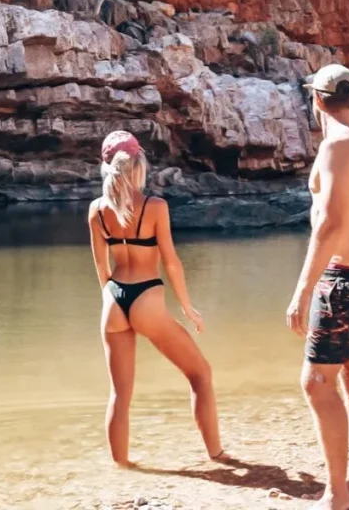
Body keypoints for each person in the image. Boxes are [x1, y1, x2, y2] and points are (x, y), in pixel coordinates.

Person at [286, 65, 349, 510]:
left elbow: (328, 224)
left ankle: (336, 495)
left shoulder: (334, 148)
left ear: (316, 100)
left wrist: (302, 290)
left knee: (315, 382)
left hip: (343, 279)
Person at [88, 130, 224, 466]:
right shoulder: (154, 207)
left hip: (114, 300)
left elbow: (102, 270)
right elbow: (172, 263)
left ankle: (122, 467)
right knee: (200, 374)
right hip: (146, 296)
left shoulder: (96, 210)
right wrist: (187, 308)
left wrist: (112, 302)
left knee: (120, 394)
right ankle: (217, 455)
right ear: (139, 165)